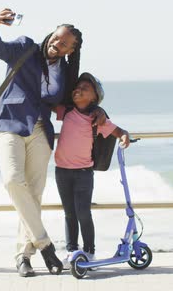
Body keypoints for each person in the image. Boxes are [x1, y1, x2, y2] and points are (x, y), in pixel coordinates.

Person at [0, 8, 102, 277]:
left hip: (40, 130)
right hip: (10, 124)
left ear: (71, 49)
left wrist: (100, 112)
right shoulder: (26, 47)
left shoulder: (65, 72)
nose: (56, 44)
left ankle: (24, 256)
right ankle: (46, 245)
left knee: (34, 193)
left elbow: (78, 104)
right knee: (13, 181)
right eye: (55, 38)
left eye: (63, 44)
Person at [52, 72, 130, 269]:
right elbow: (48, 103)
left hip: (84, 173)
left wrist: (124, 136)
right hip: (61, 171)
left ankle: (89, 251)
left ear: (94, 97)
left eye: (84, 88)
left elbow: (118, 131)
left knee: (83, 213)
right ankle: (71, 250)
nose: (78, 90)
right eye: (77, 87)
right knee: (69, 213)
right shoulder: (66, 111)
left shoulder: (97, 119)